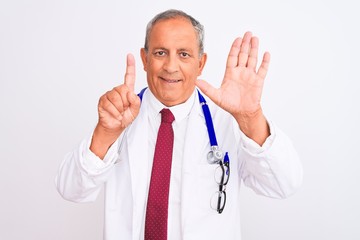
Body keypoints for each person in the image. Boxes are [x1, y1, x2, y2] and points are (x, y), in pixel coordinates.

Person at [56, 9, 302, 240]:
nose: (171, 66)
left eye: (184, 54)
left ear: (201, 63)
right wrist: (104, 134)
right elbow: (70, 189)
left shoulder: (226, 121)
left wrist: (251, 117)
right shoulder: (119, 117)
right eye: (160, 52)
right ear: (144, 59)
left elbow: (283, 184)